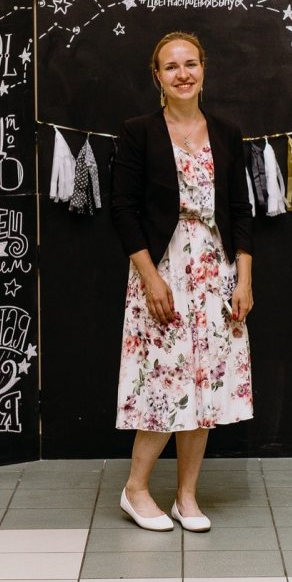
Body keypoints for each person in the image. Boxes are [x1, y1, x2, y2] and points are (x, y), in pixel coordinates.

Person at [110, 31, 254, 532]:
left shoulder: (227, 133)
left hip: (215, 270)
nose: (182, 74)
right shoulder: (138, 132)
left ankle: (186, 497)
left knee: (205, 384)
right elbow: (123, 210)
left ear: (203, 69)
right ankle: (136, 489)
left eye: (190, 63)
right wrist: (150, 278)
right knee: (163, 380)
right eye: (171, 66)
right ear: (157, 76)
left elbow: (240, 209)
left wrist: (244, 278)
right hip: (162, 269)